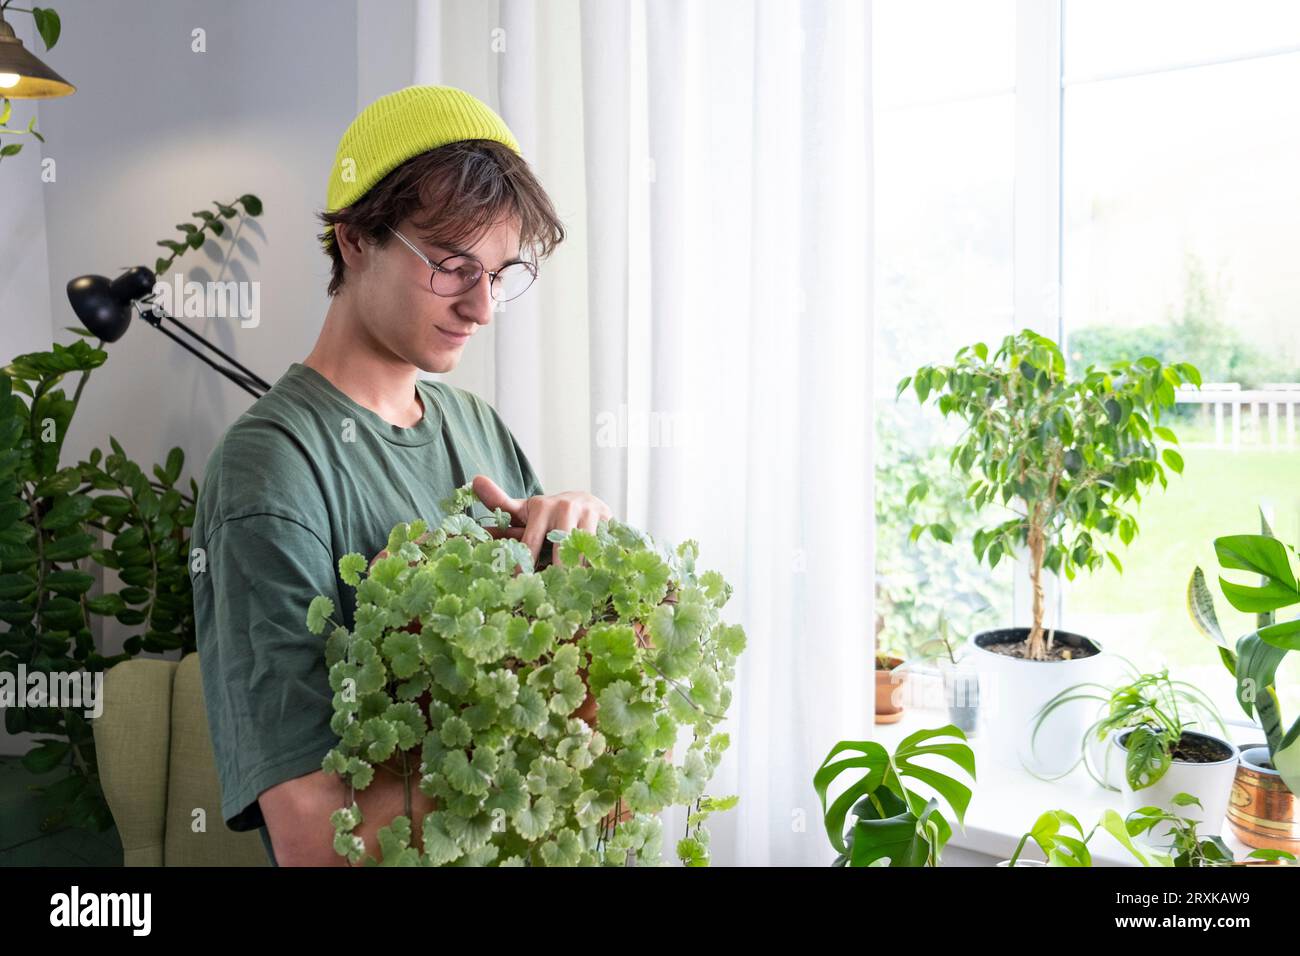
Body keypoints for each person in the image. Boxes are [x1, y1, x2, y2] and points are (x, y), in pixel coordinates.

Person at [189, 85, 612, 866]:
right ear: (355, 240)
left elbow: (557, 661)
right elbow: (313, 833)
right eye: (452, 267)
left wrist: (584, 557)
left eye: (499, 271)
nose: (481, 306)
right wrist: (568, 753)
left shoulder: (479, 428)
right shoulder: (271, 470)